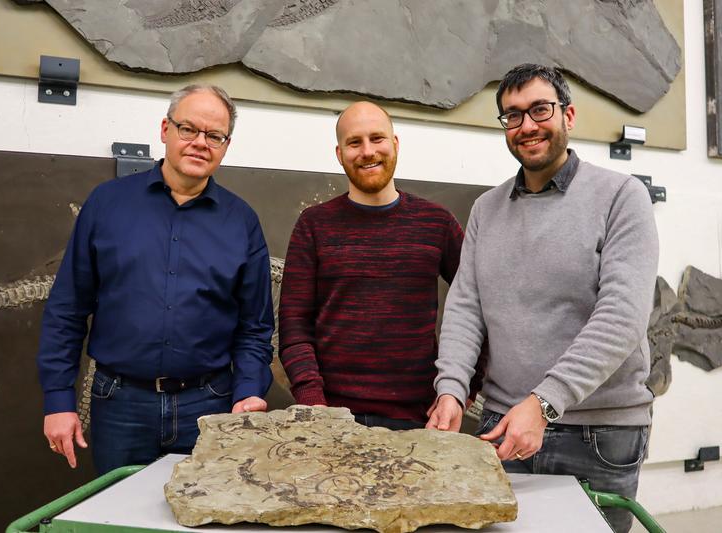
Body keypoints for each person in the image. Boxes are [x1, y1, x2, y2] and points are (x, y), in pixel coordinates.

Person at [426, 64, 658, 533]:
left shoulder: (622, 197)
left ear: (568, 115)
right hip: (500, 427)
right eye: (512, 116)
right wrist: (450, 389)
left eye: (539, 110)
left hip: (597, 434)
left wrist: (543, 403)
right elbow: (466, 308)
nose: (527, 125)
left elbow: (621, 317)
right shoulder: (486, 209)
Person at [37, 84, 274, 474]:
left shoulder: (241, 222)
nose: (200, 143)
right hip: (120, 404)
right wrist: (59, 399)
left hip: (210, 405)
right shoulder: (107, 204)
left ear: (226, 146)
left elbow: (255, 326)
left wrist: (247, 393)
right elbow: (67, 309)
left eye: (214, 135)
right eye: (188, 129)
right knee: (119, 517)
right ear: (165, 129)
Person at [279, 101, 464, 430]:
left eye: (377, 138)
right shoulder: (314, 226)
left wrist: (459, 390)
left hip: (419, 419)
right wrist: (314, 404)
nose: (367, 151)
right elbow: (294, 328)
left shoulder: (437, 224)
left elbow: (477, 309)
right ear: (339, 154)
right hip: (331, 417)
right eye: (354, 142)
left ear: (395, 144)